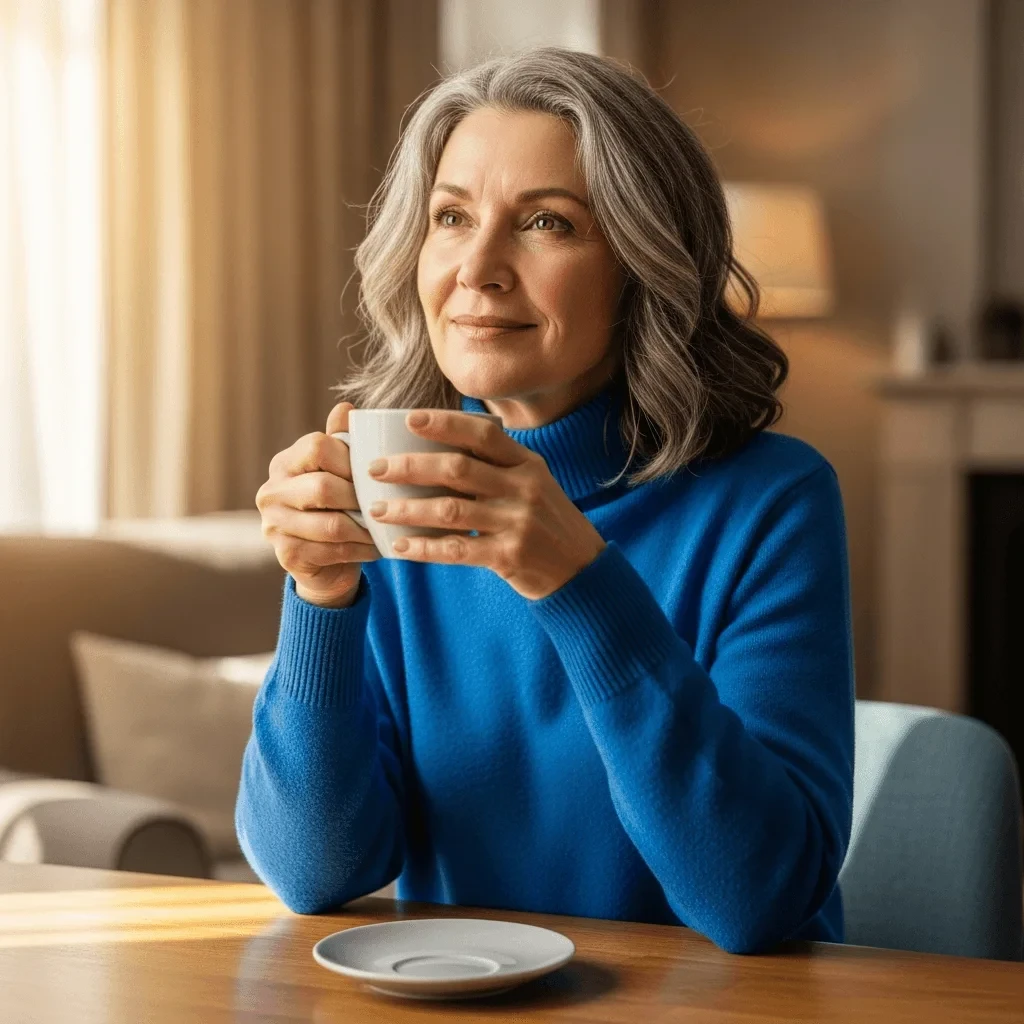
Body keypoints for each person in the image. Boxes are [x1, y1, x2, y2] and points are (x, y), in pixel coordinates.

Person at [242, 47, 854, 956]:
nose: (479, 268)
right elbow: (315, 870)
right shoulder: (391, 487)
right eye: (451, 217)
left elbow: (758, 897)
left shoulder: (772, 501)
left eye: (545, 223)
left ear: (644, 264)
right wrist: (321, 601)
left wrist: (577, 581)